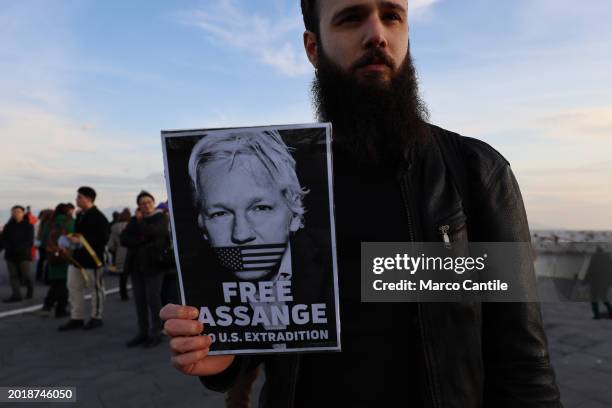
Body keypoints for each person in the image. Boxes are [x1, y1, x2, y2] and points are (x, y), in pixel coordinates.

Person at [161, 1, 562, 407]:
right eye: (351, 18)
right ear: (313, 48)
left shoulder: (477, 172)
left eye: (392, 16)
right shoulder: (278, 182)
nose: (377, 35)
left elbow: (523, 356)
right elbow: (268, 328)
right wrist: (223, 357)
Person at [121, 191, 171, 348]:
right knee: (140, 301)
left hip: (154, 266)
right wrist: (142, 239)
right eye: (142, 203)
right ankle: (142, 332)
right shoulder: (135, 220)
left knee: (153, 300)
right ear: (138, 206)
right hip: (136, 267)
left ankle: (156, 332)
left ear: (153, 202)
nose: (146, 205)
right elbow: (124, 239)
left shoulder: (161, 217)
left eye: (149, 202)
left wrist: (141, 226)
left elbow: (157, 233)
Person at [59, 186, 110, 331]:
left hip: (93, 260)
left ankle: (96, 316)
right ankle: (77, 317)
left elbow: (103, 238)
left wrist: (82, 240)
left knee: (96, 289)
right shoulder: (81, 215)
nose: (76, 199)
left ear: (88, 199)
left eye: (79, 197)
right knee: (73, 287)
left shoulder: (99, 217)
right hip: (77, 259)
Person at [39, 203, 74, 317]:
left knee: (56, 283)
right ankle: (60, 309)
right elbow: (75, 239)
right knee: (64, 285)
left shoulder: (49, 222)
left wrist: (50, 250)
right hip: (66, 257)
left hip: (52, 255)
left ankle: (48, 305)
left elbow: (43, 240)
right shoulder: (70, 222)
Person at [1, 205, 34, 302]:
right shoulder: (8, 226)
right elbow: (3, 239)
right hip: (10, 255)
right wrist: (7, 247)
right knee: (13, 275)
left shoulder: (28, 225)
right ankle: (16, 295)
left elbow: (29, 241)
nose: (16, 213)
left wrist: (20, 248)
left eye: (18, 211)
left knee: (26, 274)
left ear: (23, 213)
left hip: (23, 255)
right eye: (14, 212)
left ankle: (30, 287)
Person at [107, 208, 131, 301]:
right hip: (131, 252)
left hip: (120, 253)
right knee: (135, 275)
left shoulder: (114, 227)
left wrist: (115, 251)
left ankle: (123, 294)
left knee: (122, 276)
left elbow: (111, 245)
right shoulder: (131, 226)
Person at [585, 247, 612, 319]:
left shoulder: (594, 259)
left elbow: (589, 271)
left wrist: (585, 281)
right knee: (604, 298)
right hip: (604, 283)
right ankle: (610, 312)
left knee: (594, 298)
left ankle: (596, 314)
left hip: (595, 283)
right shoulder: (608, 260)